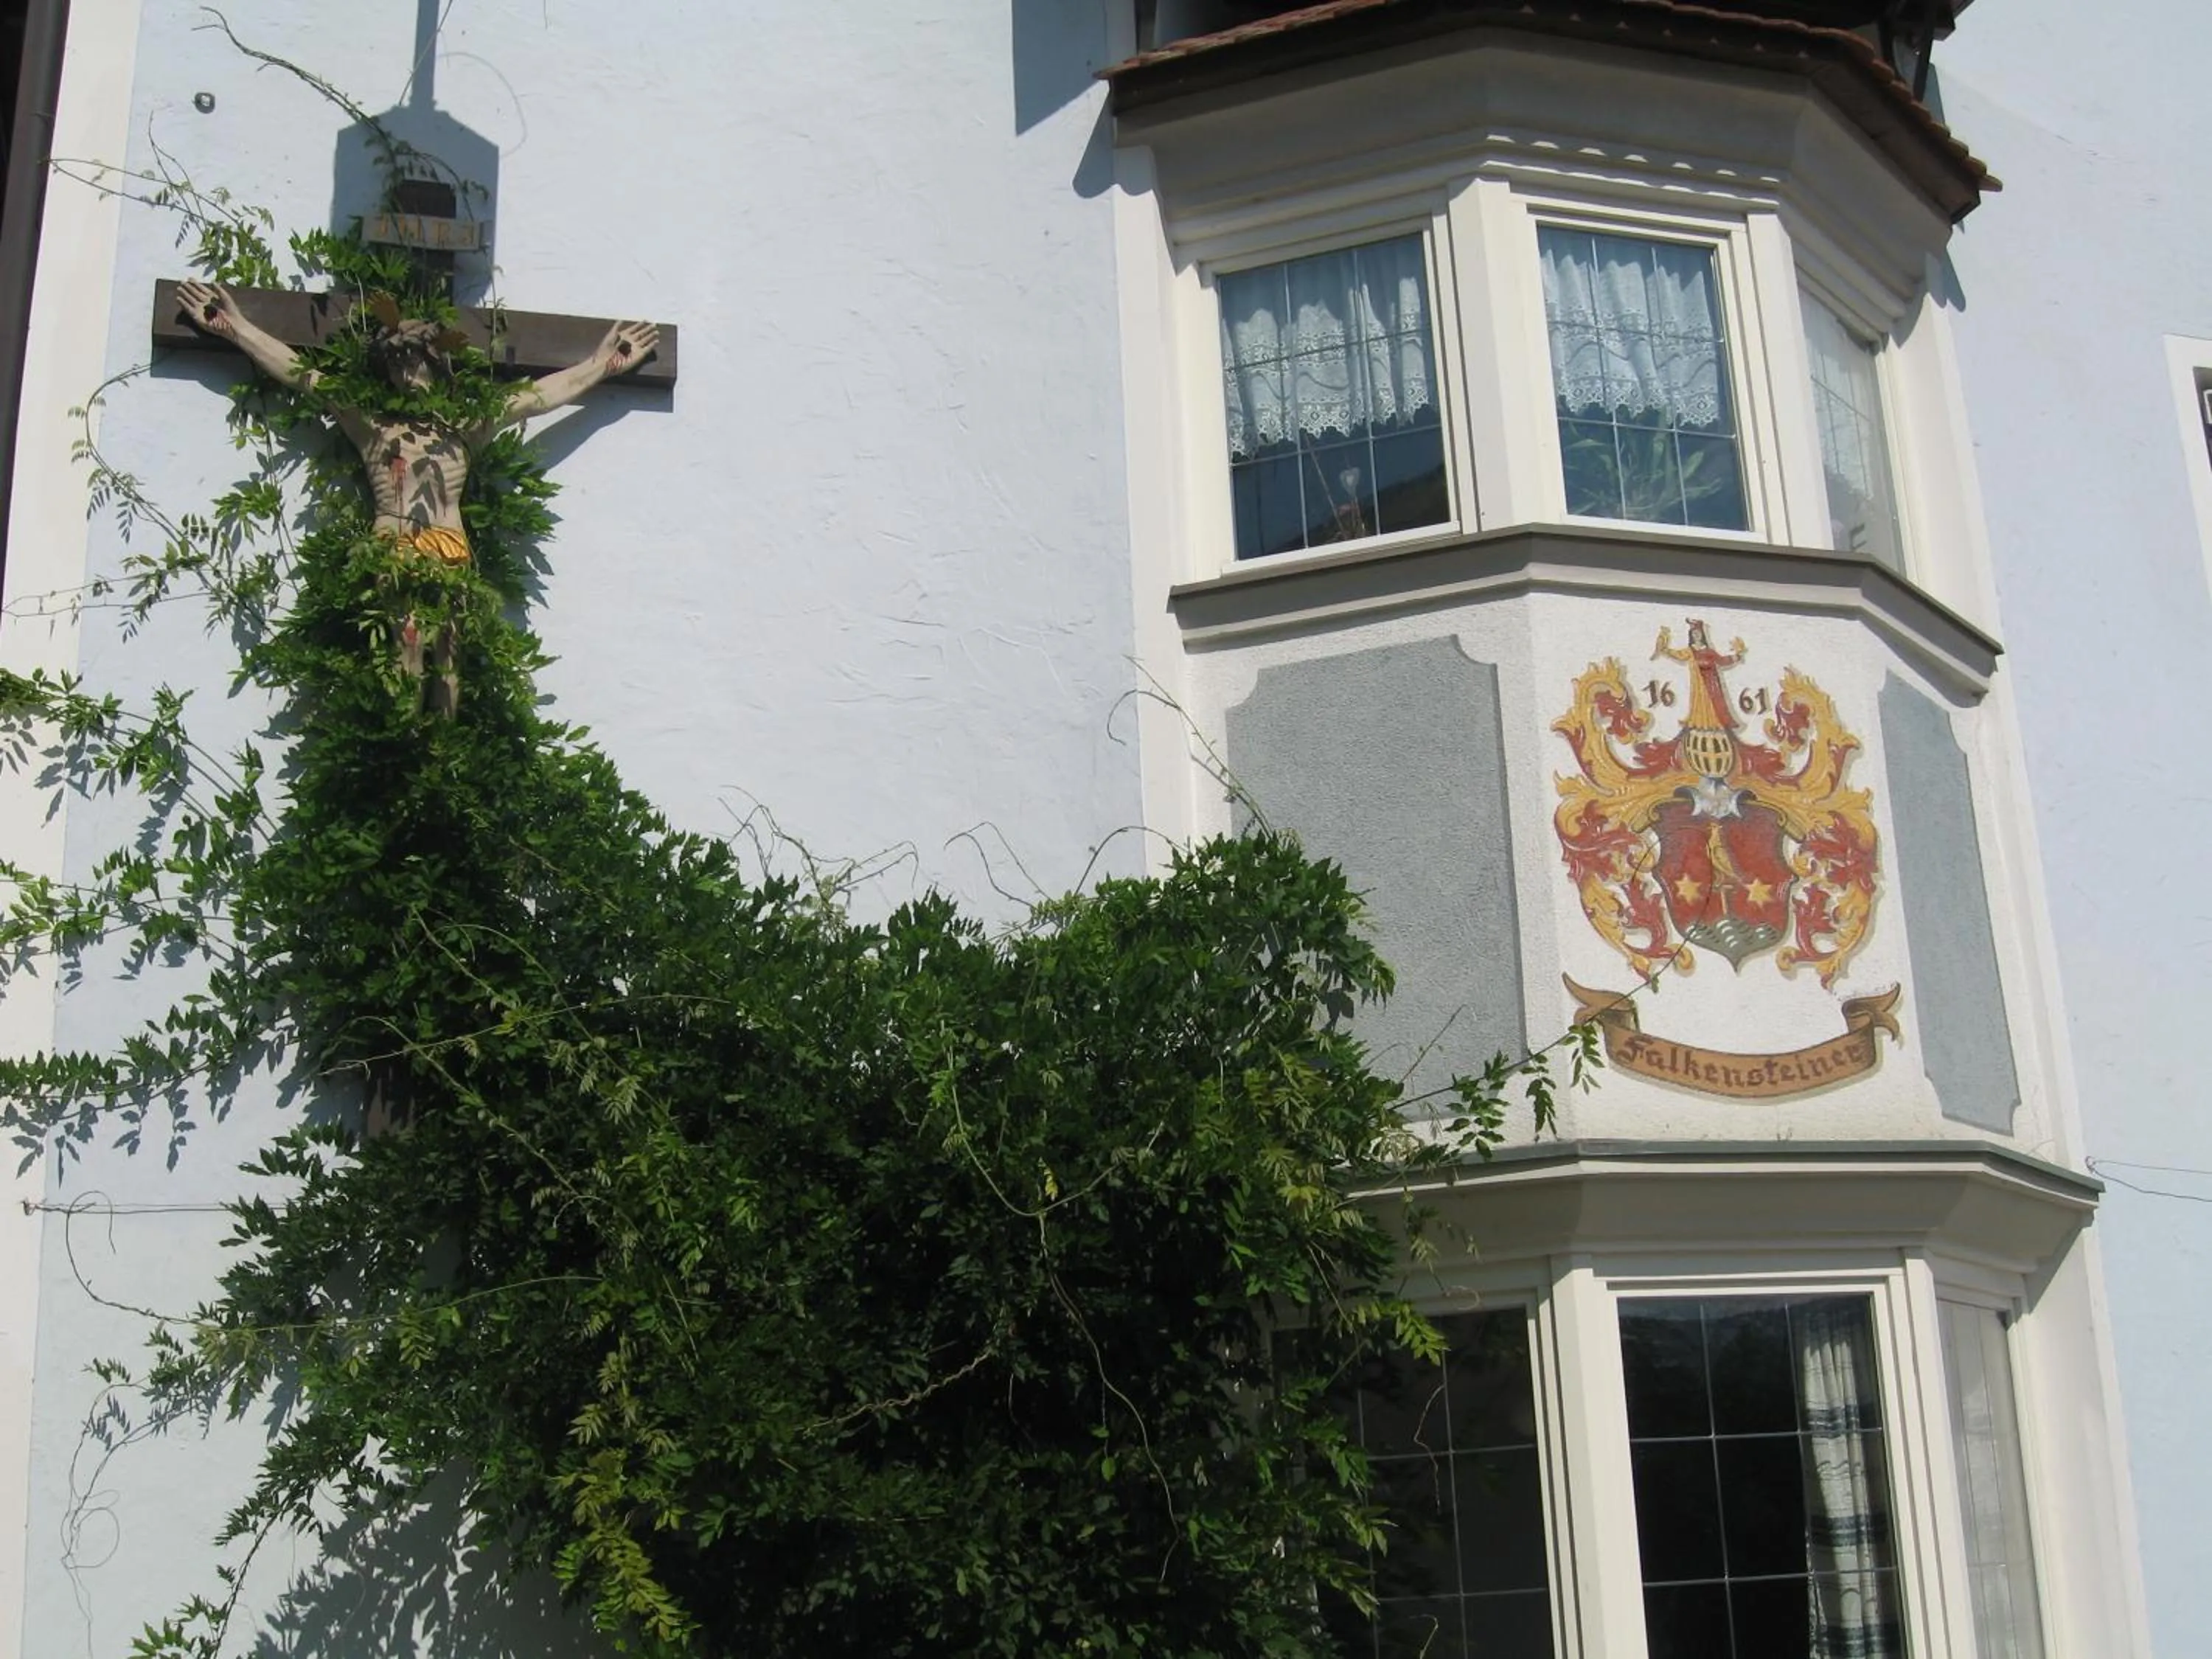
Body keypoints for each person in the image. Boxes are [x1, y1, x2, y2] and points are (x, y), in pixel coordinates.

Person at [175, 280, 658, 713]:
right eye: (397, 360)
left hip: (449, 545)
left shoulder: (467, 426)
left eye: (415, 359)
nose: (407, 371)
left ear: (436, 364)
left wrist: (601, 364)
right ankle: (405, 748)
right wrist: (237, 329)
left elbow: (540, 395)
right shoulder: (372, 424)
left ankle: (439, 763)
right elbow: (302, 372)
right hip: (394, 544)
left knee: (448, 649)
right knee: (405, 642)